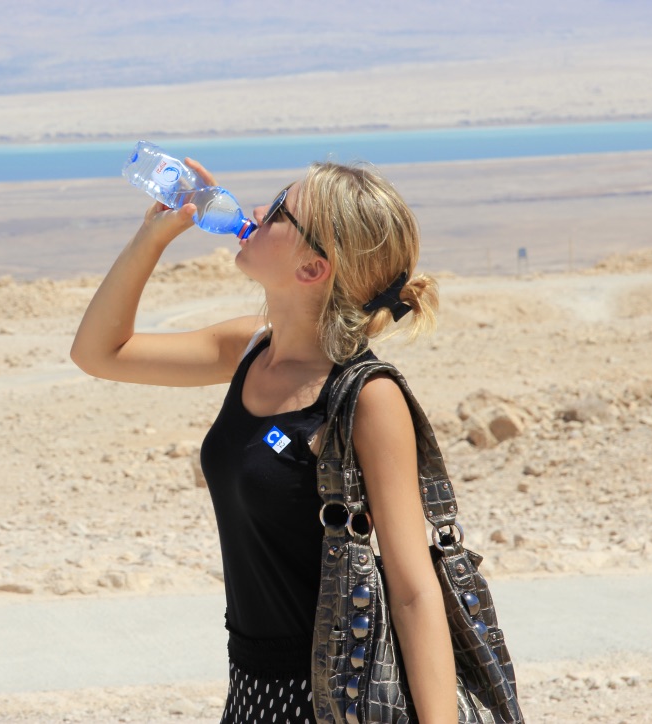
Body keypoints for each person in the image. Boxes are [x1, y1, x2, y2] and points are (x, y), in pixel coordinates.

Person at [70, 157, 457, 723]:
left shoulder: (367, 399)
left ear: (312, 268)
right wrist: (153, 236)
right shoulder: (247, 350)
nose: (254, 212)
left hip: (333, 697)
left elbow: (413, 592)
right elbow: (98, 354)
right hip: (251, 688)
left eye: (278, 211)